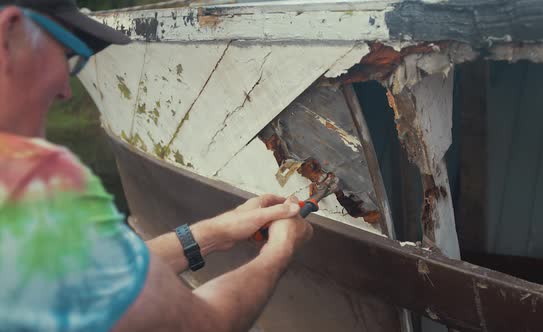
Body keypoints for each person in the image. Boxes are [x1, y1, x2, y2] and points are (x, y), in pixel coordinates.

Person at [0, 1, 313, 331]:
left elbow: (84, 277)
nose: (66, 89)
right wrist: (279, 252)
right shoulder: (27, 182)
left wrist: (215, 232)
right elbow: (196, 325)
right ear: (7, 34)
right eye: (68, 54)